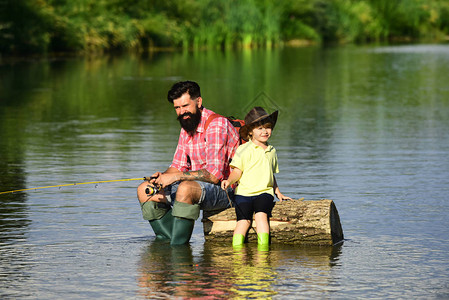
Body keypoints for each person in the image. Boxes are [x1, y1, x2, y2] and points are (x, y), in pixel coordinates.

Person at [137, 81, 240, 245]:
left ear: (198, 102)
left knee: (185, 188)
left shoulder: (216, 125)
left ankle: (178, 252)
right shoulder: (186, 126)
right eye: (177, 108)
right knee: (145, 190)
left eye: (185, 106)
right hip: (196, 187)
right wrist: (162, 177)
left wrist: (174, 177)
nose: (181, 112)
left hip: (228, 192)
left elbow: (214, 176)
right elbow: (177, 166)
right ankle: (168, 242)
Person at [221, 107, 291, 249]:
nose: (265, 131)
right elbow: (237, 172)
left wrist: (278, 192)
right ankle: (237, 251)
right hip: (243, 194)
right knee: (243, 221)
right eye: (260, 128)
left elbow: (270, 174)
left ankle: (263, 251)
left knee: (261, 216)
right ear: (250, 131)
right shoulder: (244, 149)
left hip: (263, 193)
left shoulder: (272, 151)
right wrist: (229, 181)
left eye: (268, 128)